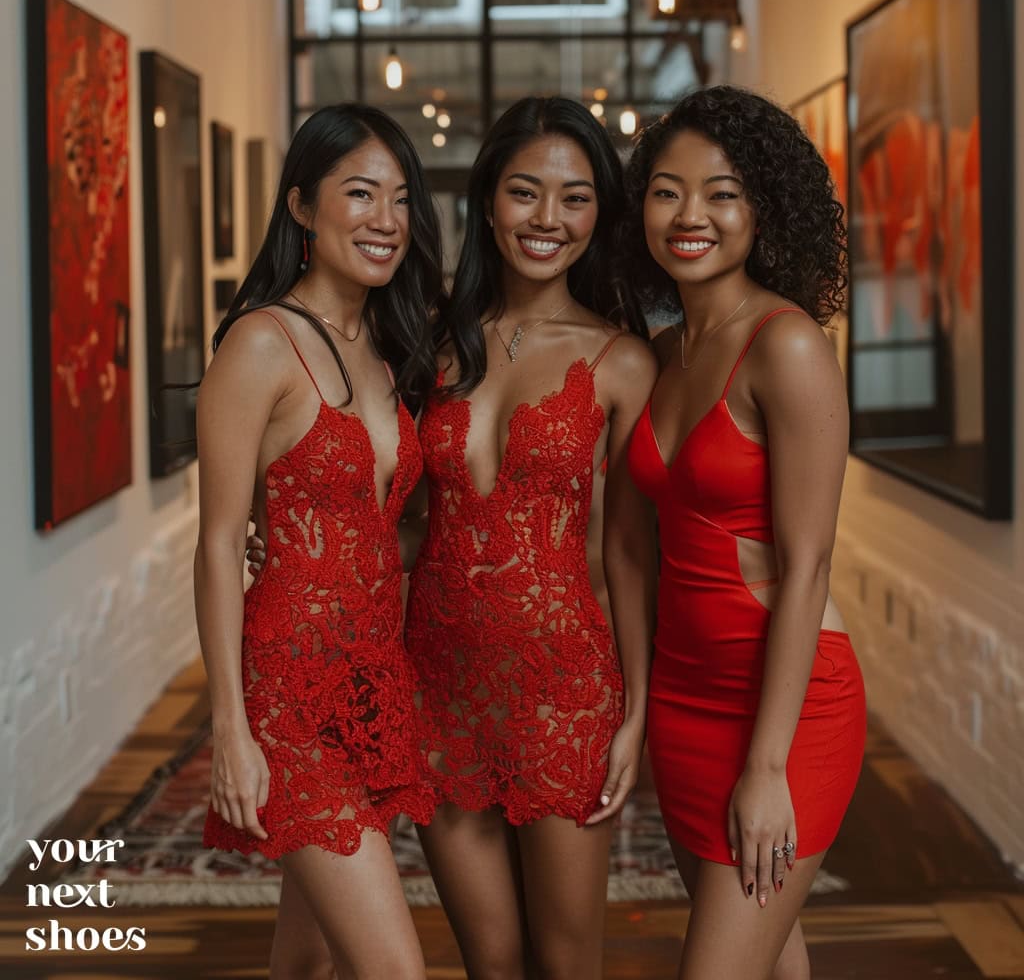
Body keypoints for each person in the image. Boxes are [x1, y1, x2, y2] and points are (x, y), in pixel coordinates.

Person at [405, 96, 657, 980]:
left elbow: (628, 553)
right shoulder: (428, 346)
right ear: (486, 200)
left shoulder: (621, 360)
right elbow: (383, 507)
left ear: (602, 213)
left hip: (563, 695)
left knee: (565, 963)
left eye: (576, 198)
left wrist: (635, 713)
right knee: (491, 962)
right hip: (436, 689)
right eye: (525, 192)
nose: (548, 219)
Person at [622, 85, 866, 980]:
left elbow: (808, 566)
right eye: (666, 189)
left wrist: (766, 768)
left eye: (722, 192)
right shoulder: (660, 353)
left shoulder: (788, 346)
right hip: (686, 701)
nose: (691, 215)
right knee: (768, 957)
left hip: (789, 713)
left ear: (765, 209)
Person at [196, 103, 442, 980]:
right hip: (290, 697)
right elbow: (221, 545)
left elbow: (383, 532)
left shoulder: (385, 347)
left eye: (402, 199)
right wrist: (232, 729)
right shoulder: (260, 346)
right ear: (302, 207)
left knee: (303, 958)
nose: (387, 221)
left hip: (374, 683)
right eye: (361, 194)